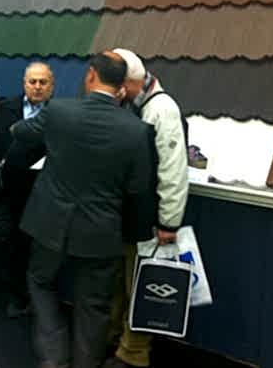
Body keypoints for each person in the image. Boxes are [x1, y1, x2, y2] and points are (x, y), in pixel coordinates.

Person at [11, 52, 156, 368]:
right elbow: (139, 191)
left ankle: (54, 357)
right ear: (122, 85)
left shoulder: (59, 112)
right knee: (94, 306)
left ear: (91, 75)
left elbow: (21, 132)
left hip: (50, 224)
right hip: (102, 233)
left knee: (40, 283)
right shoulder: (138, 131)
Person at [104, 49, 189, 368]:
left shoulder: (162, 110)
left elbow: (173, 170)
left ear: (128, 83)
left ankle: (133, 354)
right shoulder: (137, 105)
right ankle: (116, 340)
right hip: (128, 216)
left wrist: (169, 221)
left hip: (149, 220)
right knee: (121, 285)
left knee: (139, 286)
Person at [0, 62, 54, 318]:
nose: (37, 87)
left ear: (51, 86)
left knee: (32, 244)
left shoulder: (58, 114)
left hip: (40, 191)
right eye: (32, 81)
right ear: (24, 84)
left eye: (43, 82)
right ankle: (13, 290)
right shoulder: (6, 108)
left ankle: (27, 297)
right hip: (7, 188)